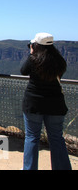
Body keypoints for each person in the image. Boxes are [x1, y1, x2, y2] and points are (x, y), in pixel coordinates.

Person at [21, 32, 71, 170]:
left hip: (34, 103)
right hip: (55, 104)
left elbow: (23, 71)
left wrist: (31, 53)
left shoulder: (33, 59)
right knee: (56, 138)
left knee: (32, 137)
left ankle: (29, 168)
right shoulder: (59, 60)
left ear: (36, 45)